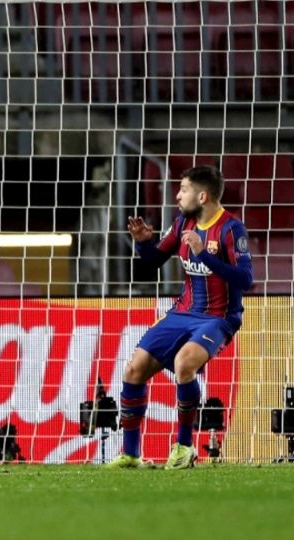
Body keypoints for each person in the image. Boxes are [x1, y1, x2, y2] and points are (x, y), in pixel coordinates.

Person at [110, 165, 253, 470]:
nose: (177, 195)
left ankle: (185, 447)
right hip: (182, 312)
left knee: (184, 364)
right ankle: (131, 455)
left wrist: (204, 255)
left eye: (184, 189)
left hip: (218, 317)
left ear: (202, 196)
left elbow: (245, 279)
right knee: (133, 370)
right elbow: (152, 261)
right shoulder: (182, 224)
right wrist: (142, 242)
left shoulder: (231, 229)